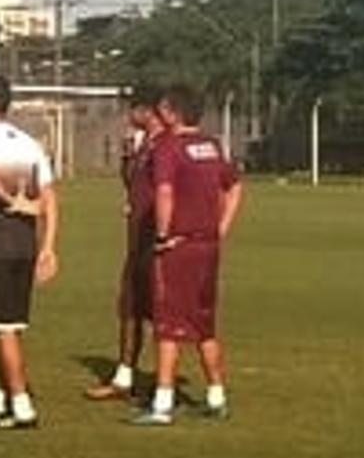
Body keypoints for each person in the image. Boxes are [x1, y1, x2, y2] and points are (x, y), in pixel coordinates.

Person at [131, 84, 245, 426]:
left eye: (163, 108)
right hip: (208, 245)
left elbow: (164, 192)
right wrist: (221, 226)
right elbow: (235, 185)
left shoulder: (168, 147)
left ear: (173, 112)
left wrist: (163, 234)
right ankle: (216, 396)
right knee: (204, 323)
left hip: (178, 245)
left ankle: (162, 403)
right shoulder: (210, 145)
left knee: (168, 325)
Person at [0, 74, 59, 430]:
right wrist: (48, 247)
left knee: (3, 328)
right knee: (11, 325)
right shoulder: (30, 145)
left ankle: (21, 405)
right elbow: (50, 197)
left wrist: (9, 200)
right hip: (26, 246)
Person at [86, 92, 163, 401]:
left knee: (162, 314)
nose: (128, 114)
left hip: (158, 243)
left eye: (132, 108)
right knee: (129, 307)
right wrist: (127, 156)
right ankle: (123, 378)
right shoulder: (142, 144)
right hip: (136, 242)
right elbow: (133, 185)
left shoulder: (166, 145)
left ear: (148, 110)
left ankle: (165, 384)